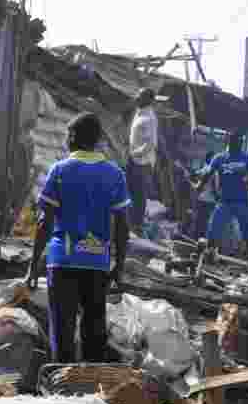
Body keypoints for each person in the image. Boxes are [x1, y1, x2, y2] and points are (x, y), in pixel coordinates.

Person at [25, 112, 130, 364]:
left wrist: (33, 265)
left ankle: (60, 389)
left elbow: (44, 222)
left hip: (63, 262)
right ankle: (91, 387)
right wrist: (120, 266)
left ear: (72, 137)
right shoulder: (114, 174)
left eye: (66, 135)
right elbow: (123, 226)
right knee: (94, 331)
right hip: (97, 263)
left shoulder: (60, 171)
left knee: (62, 331)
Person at [193, 132, 248, 274]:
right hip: (225, 202)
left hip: (242, 202)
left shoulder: (247, 158)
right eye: (236, 141)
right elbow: (207, 174)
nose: (238, 143)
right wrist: (198, 187)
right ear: (229, 141)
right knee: (213, 230)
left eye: (240, 141)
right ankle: (209, 258)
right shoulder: (219, 158)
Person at [126, 88, 158, 231]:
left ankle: (136, 226)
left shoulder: (150, 118)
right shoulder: (139, 114)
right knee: (130, 192)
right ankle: (129, 223)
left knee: (139, 195)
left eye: (140, 96)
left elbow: (151, 143)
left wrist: (136, 154)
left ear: (149, 100)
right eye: (137, 95)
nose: (137, 98)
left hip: (142, 162)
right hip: (134, 160)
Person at [191, 151, 217, 240]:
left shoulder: (208, 169)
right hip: (211, 202)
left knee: (199, 224)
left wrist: (194, 184)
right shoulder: (215, 170)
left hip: (204, 200)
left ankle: (196, 242)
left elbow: (196, 180)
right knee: (206, 225)